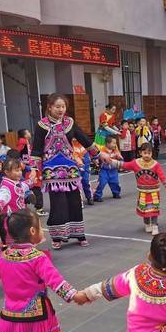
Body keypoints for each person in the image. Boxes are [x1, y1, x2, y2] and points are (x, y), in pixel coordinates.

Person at [31, 93, 107, 250]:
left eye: (63, 106)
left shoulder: (69, 123)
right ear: (49, 107)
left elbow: (84, 139)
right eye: (57, 106)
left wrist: (99, 154)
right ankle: (57, 237)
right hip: (51, 173)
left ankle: (79, 234)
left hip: (71, 171)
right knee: (58, 204)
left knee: (74, 202)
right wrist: (33, 169)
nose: (61, 109)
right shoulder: (42, 125)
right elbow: (36, 149)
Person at [113, 143, 166, 236]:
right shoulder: (136, 163)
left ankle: (155, 225)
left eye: (149, 153)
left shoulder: (156, 165)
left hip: (154, 192)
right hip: (142, 192)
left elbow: (162, 177)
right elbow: (124, 165)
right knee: (144, 209)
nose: (147, 155)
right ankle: (147, 224)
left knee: (154, 209)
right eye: (145, 153)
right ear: (140, 152)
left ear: (152, 154)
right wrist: (110, 161)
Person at [0, 157, 37, 245]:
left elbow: (23, 185)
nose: (20, 173)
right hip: (12, 218)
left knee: (23, 235)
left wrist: (31, 181)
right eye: (16, 170)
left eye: (20, 170)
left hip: (20, 215)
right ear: (7, 172)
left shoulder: (15, 182)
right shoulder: (6, 186)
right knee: (15, 238)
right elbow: (2, 196)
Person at [94, 136, 122, 201]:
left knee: (115, 182)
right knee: (101, 183)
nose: (115, 145)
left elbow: (120, 159)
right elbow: (96, 157)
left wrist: (120, 162)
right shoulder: (101, 151)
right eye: (113, 143)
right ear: (107, 143)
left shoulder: (115, 151)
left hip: (113, 170)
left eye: (115, 143)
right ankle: (97, 196)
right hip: (104, 170)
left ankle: (116, 193)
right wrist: (96, 161)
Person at [71, 137, 94, 206]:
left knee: (86, 183)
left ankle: (89, 197)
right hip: (75, 170)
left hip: (85, 169)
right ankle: (79, 201)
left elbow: (87, 159)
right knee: (77, 186)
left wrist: (86, 168)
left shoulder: (84, 146)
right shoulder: (70, 147)